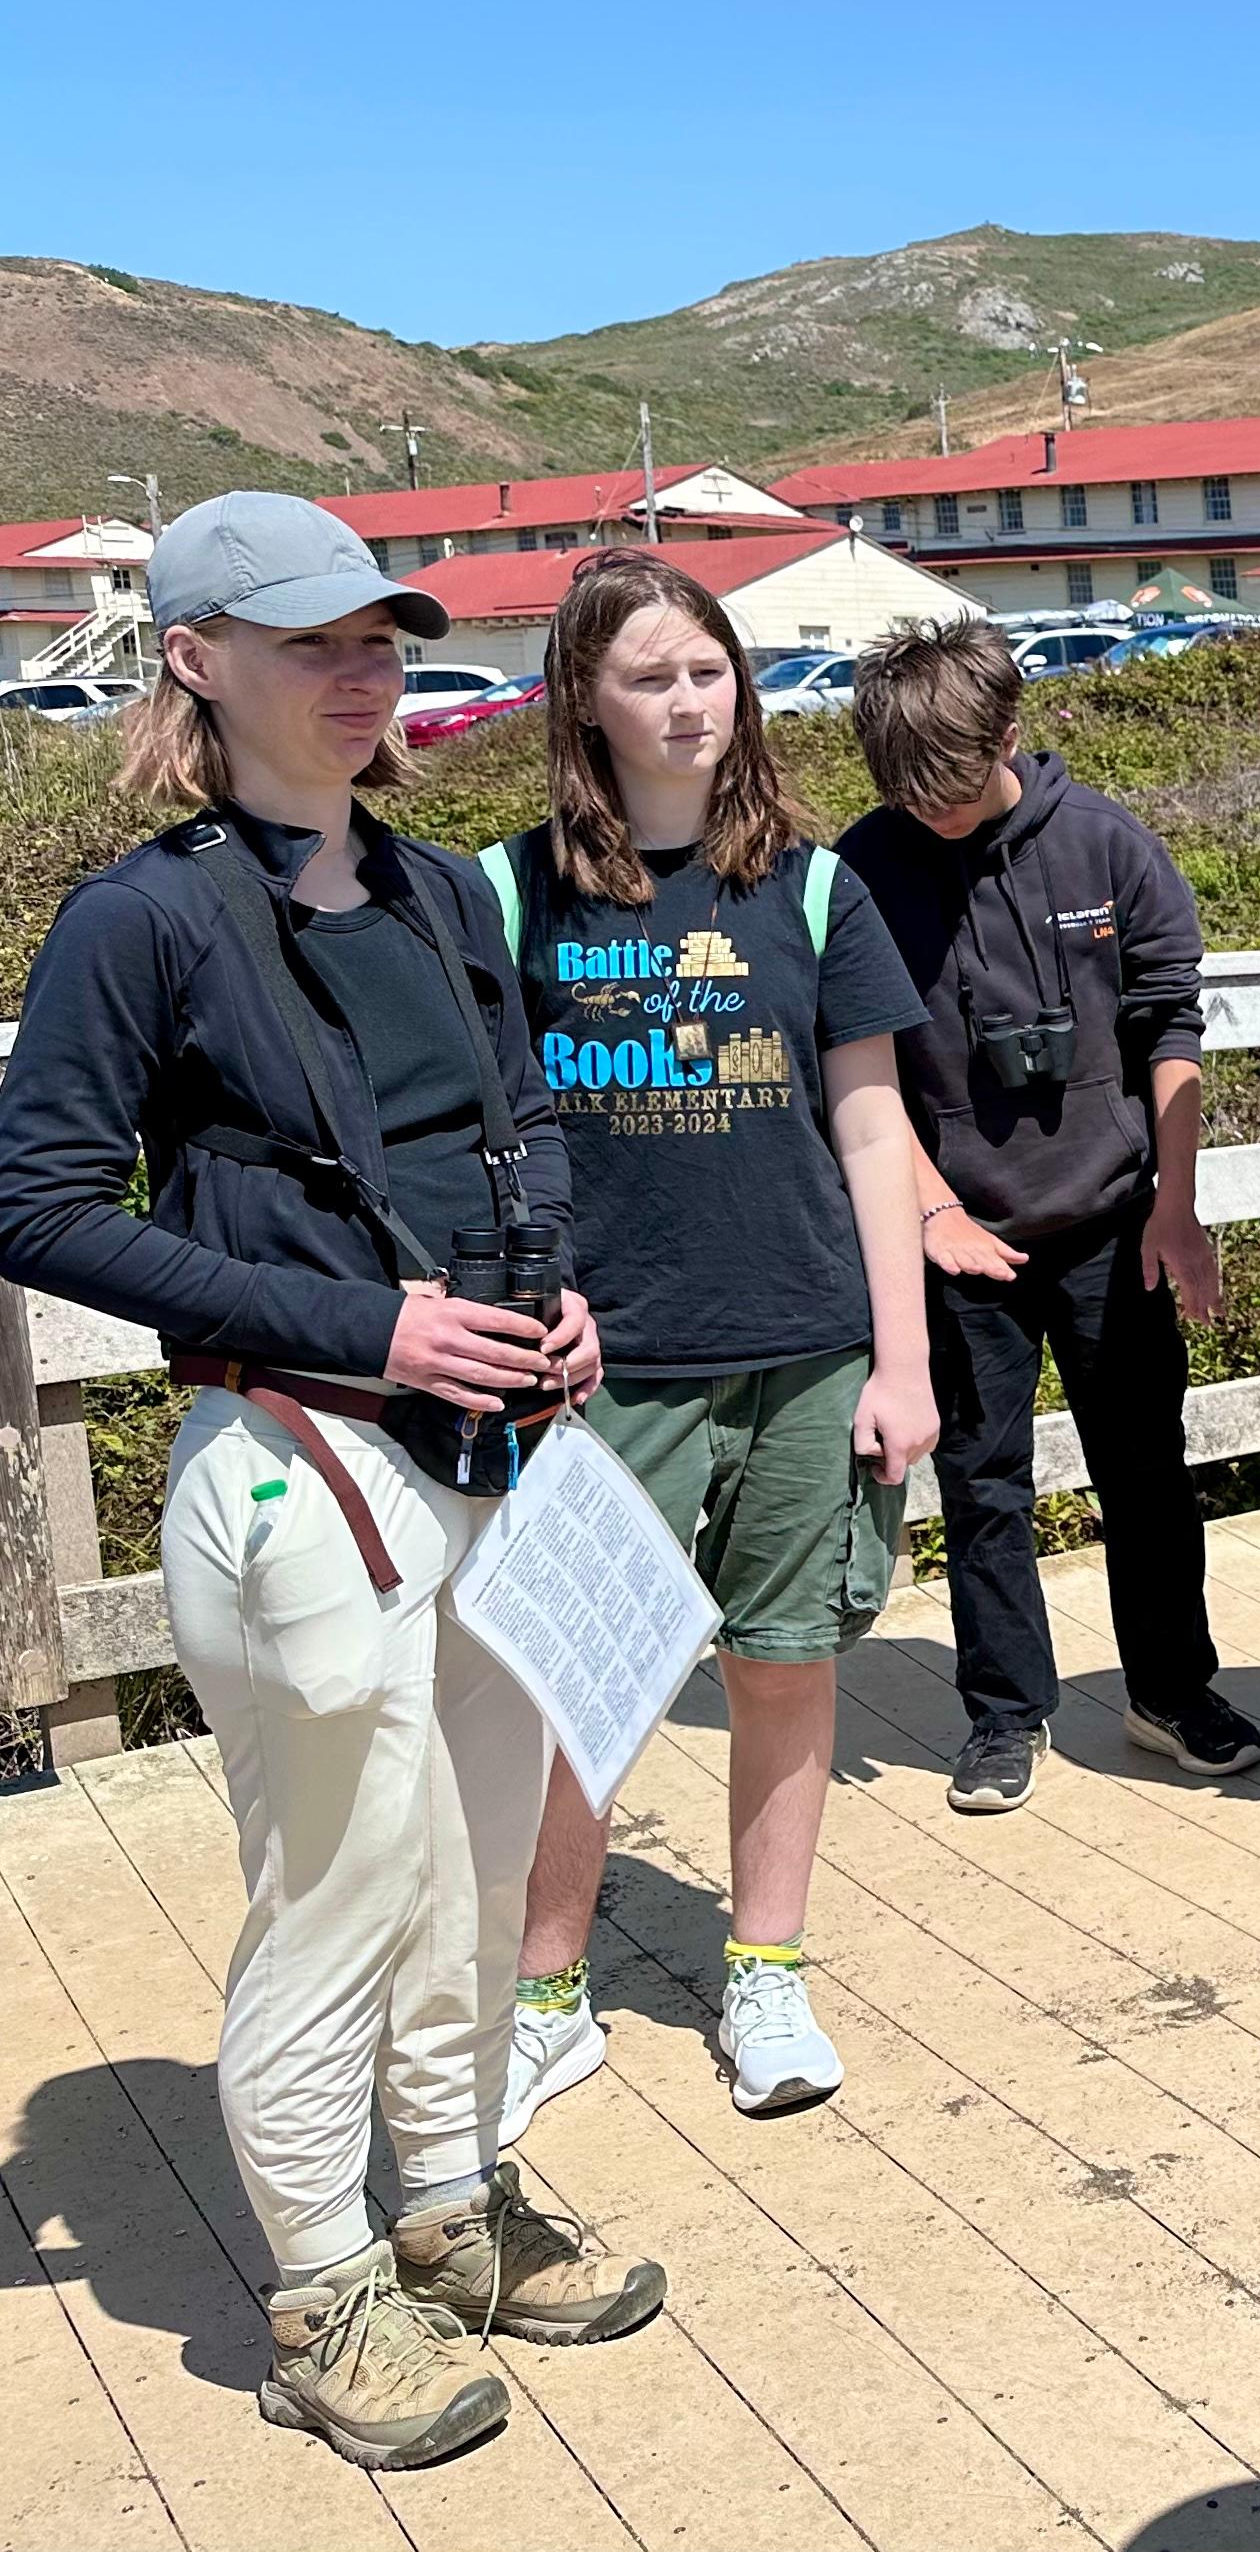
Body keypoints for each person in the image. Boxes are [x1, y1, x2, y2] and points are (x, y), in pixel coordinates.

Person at [0, 495, 661, 2472]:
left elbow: (516, 1122)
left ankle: (454, 2207)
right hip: (301, 1470)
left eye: (381, 634)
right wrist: (363, 1327)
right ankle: (322, 2278)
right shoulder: (147, 914)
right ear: (192, 654)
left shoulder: (447, 894)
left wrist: (565, 1301)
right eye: (310, 639)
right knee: (342, 1884)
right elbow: (34, 1202)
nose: (361, 668)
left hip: (496, 1446)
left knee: (471, 1853)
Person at [492, 550, 936, 2134]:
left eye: (707, 670)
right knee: (576, 1689)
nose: (687, 702)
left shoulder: (813, 887)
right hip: (607, 1371)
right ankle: (545, 1992)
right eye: (648, 678)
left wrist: (905, 1362)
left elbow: (873, 1131)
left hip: (807, 1343)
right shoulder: (503, 888)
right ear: (583, 702)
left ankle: (766, 1970)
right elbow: (472, 1124)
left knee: (786, 1668)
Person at [836, 617, 1260, 1816]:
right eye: (910, 792)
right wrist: (929, 1211)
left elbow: (1169, 1031)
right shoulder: (863, 870)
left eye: (956, 785)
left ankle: (1171, 1690)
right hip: (957, 1238)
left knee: (1149, 1475)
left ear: (1011, 734)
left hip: (1111, 1224)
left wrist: (1175, 1207)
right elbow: (857, 1069)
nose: (937, 812)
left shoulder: (1107, 846)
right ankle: (1004, 1714)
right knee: (983, 1485)